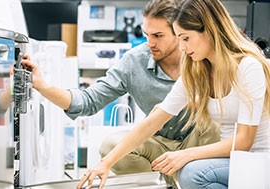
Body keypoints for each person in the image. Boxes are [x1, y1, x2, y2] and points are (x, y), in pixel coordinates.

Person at [76, 0, 270, 188]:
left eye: (186, 38)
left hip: (257, 160)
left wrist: (186, 154)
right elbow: (154, 121)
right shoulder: (197, 72)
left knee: (192, 173)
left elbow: (245, 141)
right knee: (190, 171)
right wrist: (106, 163)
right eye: (179, 39)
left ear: (209, 30)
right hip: (227, 161)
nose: (182, 48)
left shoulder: (248, 67)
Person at [22, 0, 219, 183]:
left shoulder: (200, 56)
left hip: (200, 145)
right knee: (111, 146)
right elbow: (87, 101)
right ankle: (163, 185)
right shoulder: (134, 62)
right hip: (158, 144)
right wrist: (44, 86)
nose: (150, 43)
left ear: (178, 32)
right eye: (146, 34)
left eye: (158, 36)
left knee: (211, 124)